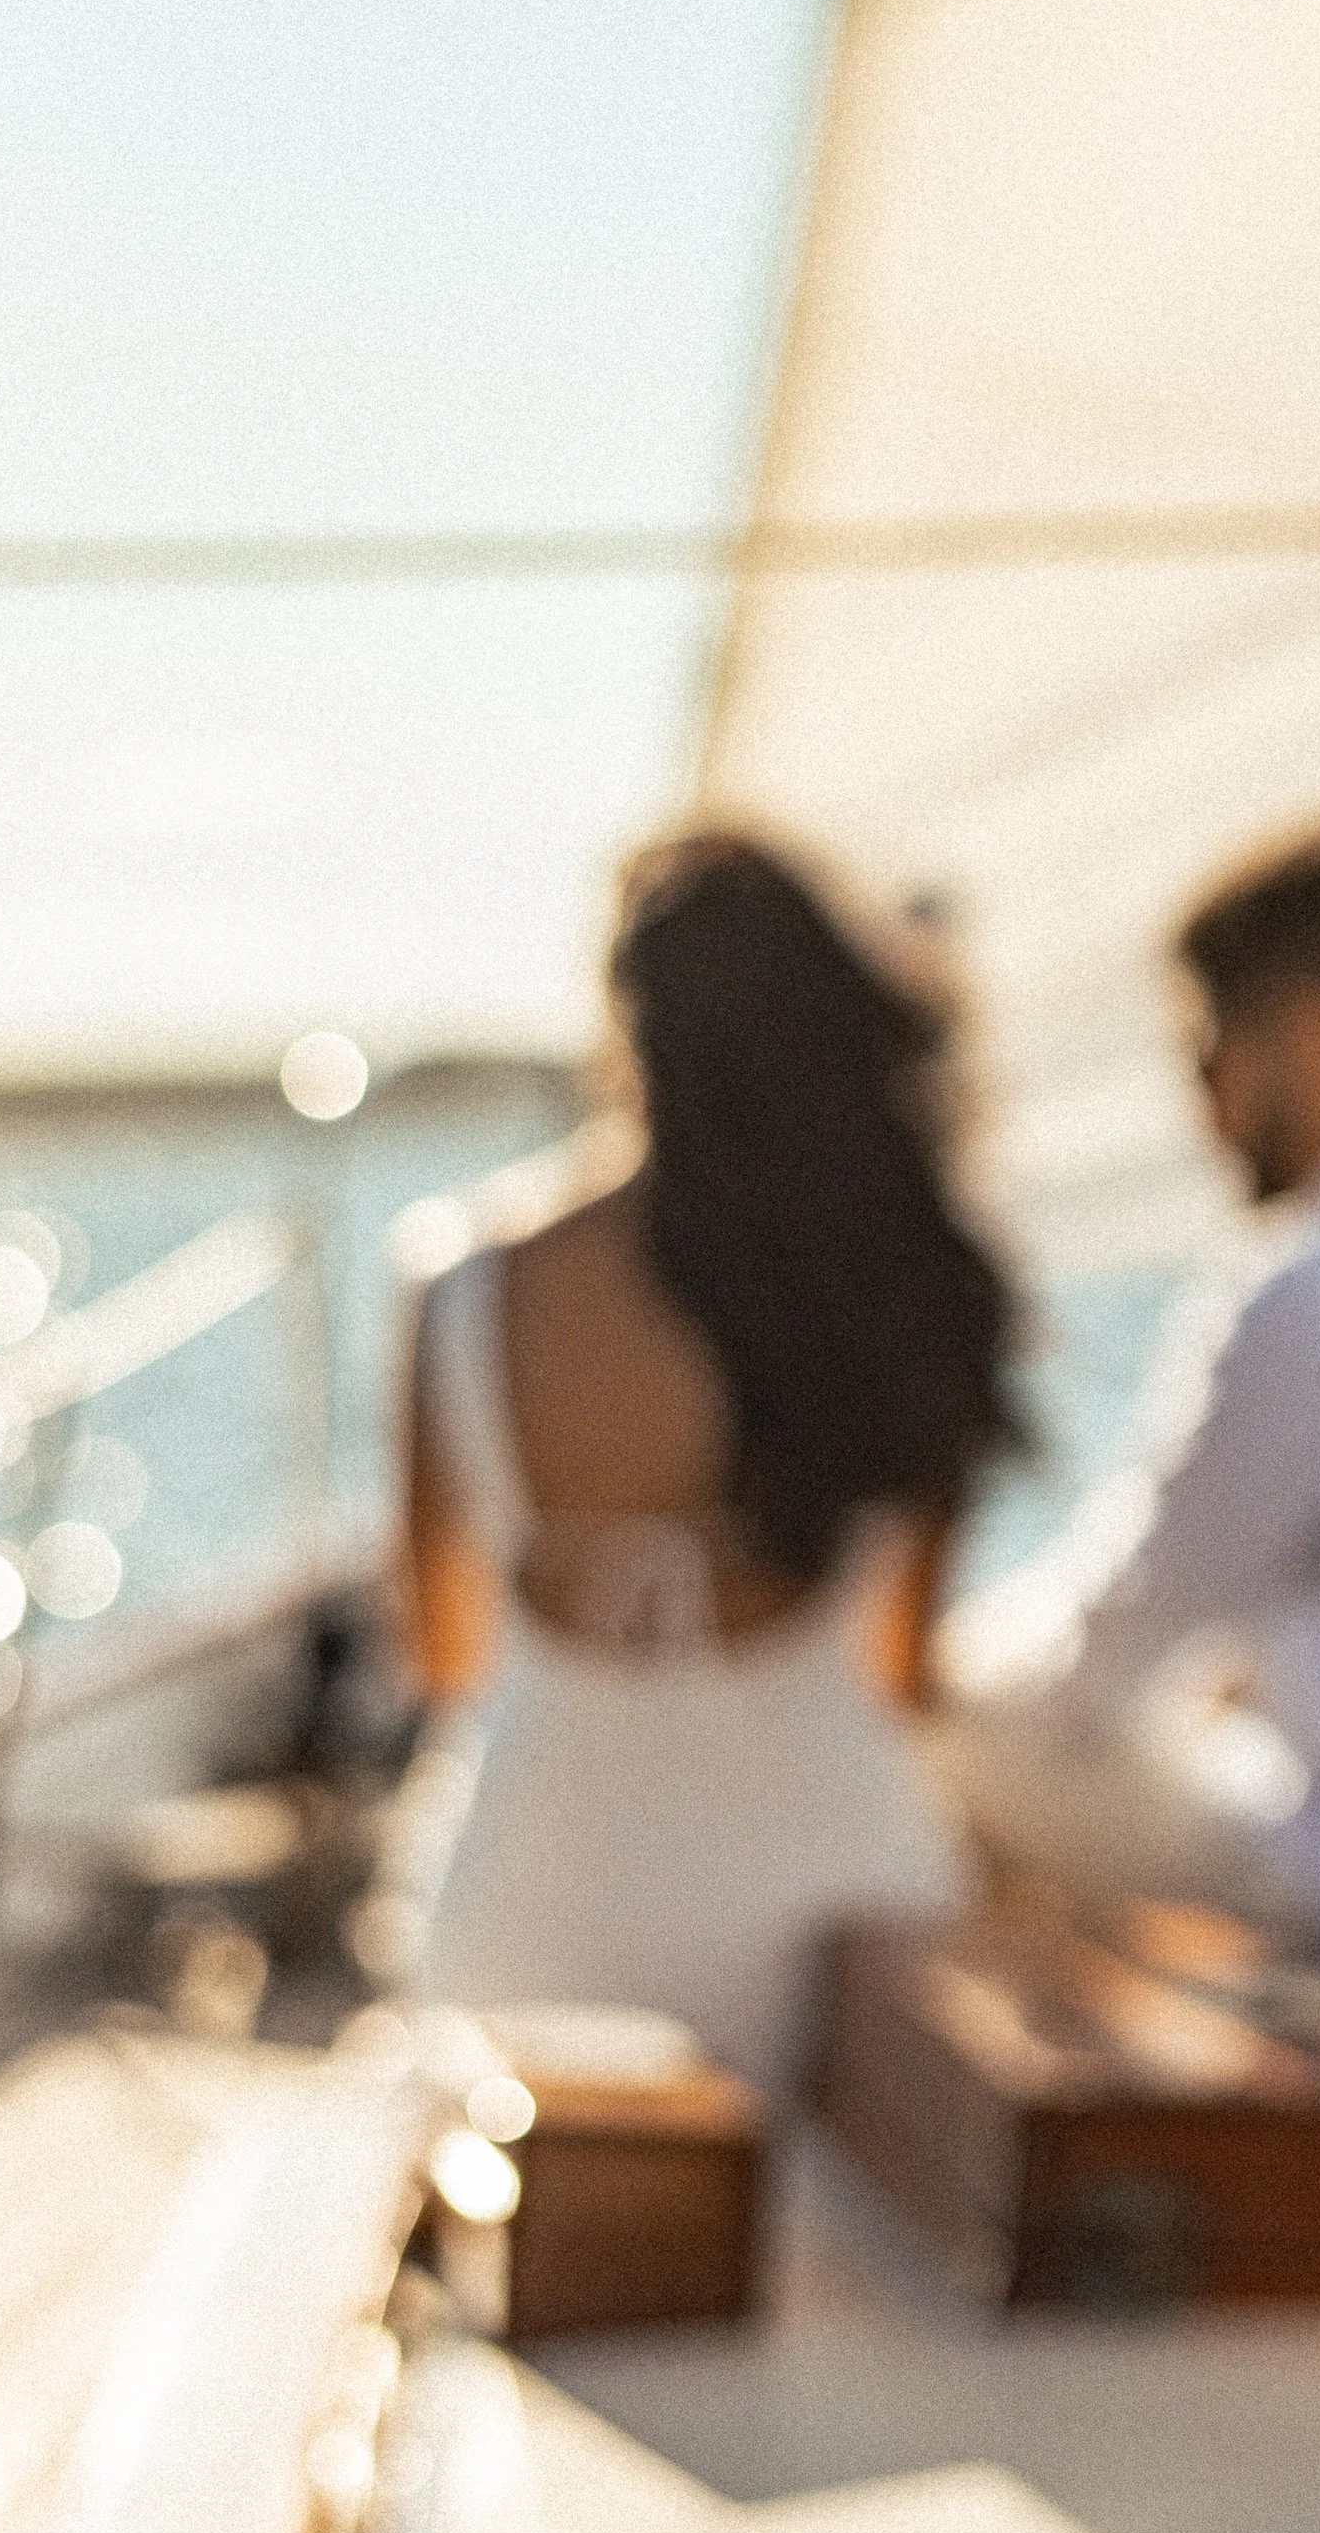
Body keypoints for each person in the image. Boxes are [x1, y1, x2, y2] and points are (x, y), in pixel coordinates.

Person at [393, 831, 1024, 2094]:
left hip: (530, 1940)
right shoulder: (909, 1282)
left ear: (627, 1030)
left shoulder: (464, 1287)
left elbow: (449, 1658)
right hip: (831, 1957)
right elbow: (901, 1675)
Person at [936, 832, 1320, 1966]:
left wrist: (918, 1667)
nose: (1201, 1119)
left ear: (1318, 1042)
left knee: (950, 1734)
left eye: (1210, 1062)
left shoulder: (1315, 1293)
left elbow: (1110, 1637)